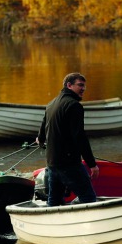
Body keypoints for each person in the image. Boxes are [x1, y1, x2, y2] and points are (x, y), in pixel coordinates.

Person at [37, 72, 99, 206]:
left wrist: (41, 141)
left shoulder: (51, 104)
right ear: (69, 85)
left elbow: (41, 135)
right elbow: (79, 137)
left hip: (52, 163)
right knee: (89, 198)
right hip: (69, 164)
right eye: (80, 85)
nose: (83, 89)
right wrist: (92, 164)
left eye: (84, 86)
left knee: (54, 202)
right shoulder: (74, 105)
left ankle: (52, 225)